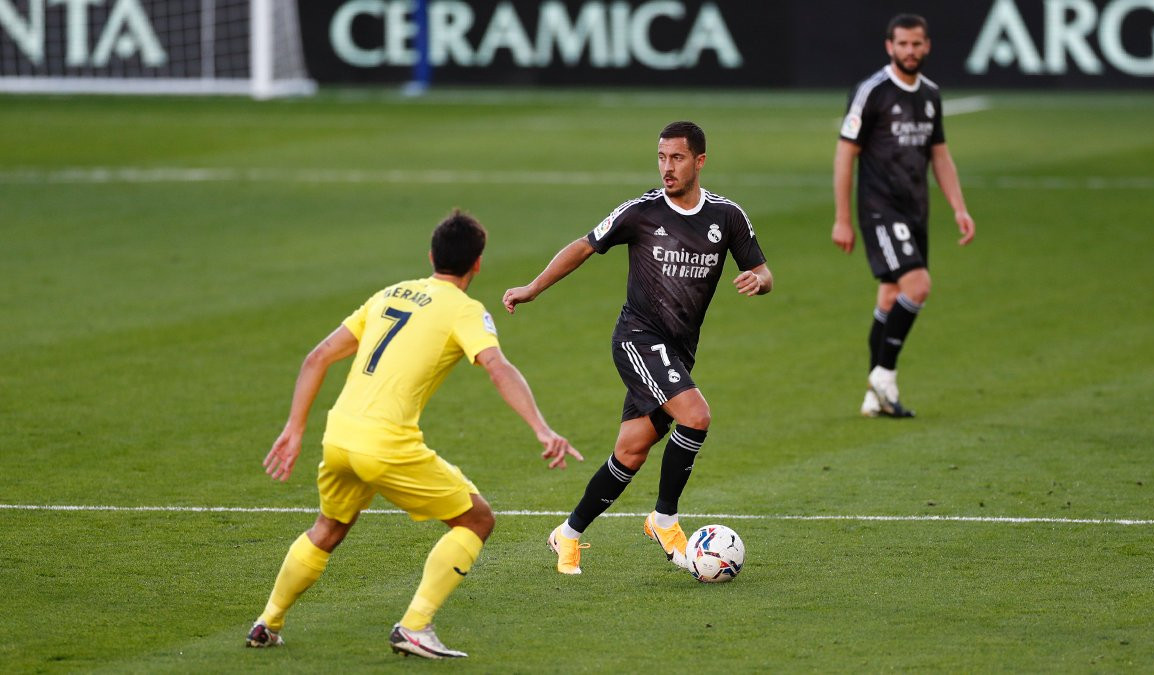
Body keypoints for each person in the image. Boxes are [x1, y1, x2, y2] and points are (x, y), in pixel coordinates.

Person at [245, 210, 582, 659]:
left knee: (328, 528)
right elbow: (497, 367)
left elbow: (317, 357)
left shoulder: (390, 294)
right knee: (477, 520)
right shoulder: (465, 310)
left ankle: (267, 621)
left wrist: (294, 428)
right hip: (386, 443)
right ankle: (415, 625)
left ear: (431, 256)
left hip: (340, 435)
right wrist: (542, 428)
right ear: (477, 264)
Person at [503, 121, 773, 575]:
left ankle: (566, 534)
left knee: (630, 451)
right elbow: (585, 247)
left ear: (700, 161)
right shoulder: (641, 211)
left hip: (679, 351)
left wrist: (757, 280)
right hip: (638, 338)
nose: (667, 167)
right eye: (662, 158)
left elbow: (765, 273)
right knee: (697, 414)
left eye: (678, 158)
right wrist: (533, 288)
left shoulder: (727, 216)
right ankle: (665, 519)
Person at [832, 13, 976, 418]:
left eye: (917, 44)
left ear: (927, 46)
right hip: (880, 209)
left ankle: (873, 397)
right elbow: (846, 154)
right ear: (889, 46)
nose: (910, 51)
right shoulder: (872, 91)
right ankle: (884, 375)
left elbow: (940, 155)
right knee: (918, 285)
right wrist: (843, 217)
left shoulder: (930, 94)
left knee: (891, 296)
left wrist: (958, 207)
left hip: (916, 210)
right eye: (903, 44)